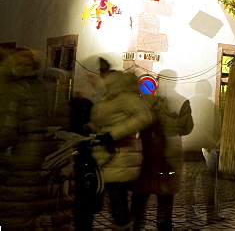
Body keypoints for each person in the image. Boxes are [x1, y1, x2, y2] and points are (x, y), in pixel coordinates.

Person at [0, 48, 72, 228]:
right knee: (28, 210)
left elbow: (6, 133)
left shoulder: (15, 91)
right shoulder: (51, 90)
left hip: (17, 161)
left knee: (14, 213)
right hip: (44, 160)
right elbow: (63, 121)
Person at [87, 60, 155, 231]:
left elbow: (144, 116)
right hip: (106, 155)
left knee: (118, 203)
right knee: (113, 201)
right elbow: (105, 122)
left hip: (120, 154)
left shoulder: (124, 97)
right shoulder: (108, 97)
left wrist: (113, 134)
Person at [130, 70, 194, 230]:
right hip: (171, 152)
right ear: (174, 82)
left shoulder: (146, 100)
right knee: (165, 200)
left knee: (140, 199)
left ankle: (137, 226)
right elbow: (187, 128)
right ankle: (163, 227)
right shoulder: (182, 101)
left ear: (158, 82)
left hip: (147, 153)